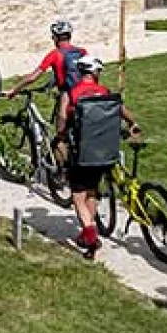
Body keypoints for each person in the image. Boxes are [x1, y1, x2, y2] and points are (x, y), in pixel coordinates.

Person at [54, 55, 141, 258]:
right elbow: (122, 110)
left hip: (82, 154)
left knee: (78, 195)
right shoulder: (105, 93)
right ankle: (88, 230)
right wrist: (132, 123)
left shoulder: (71, 94)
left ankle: (91, 236)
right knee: (92, 191)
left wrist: (60, 136)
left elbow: (61, 119)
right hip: (105, 153)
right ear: (94, 73)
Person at [2, 20, 86, 128]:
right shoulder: (82, 52)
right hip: (84, 94)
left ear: (56, 38)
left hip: (67, 96)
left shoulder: (55, 54)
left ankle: (61, 141)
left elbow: (33, 77)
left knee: (61, 136)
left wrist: (14, 90)